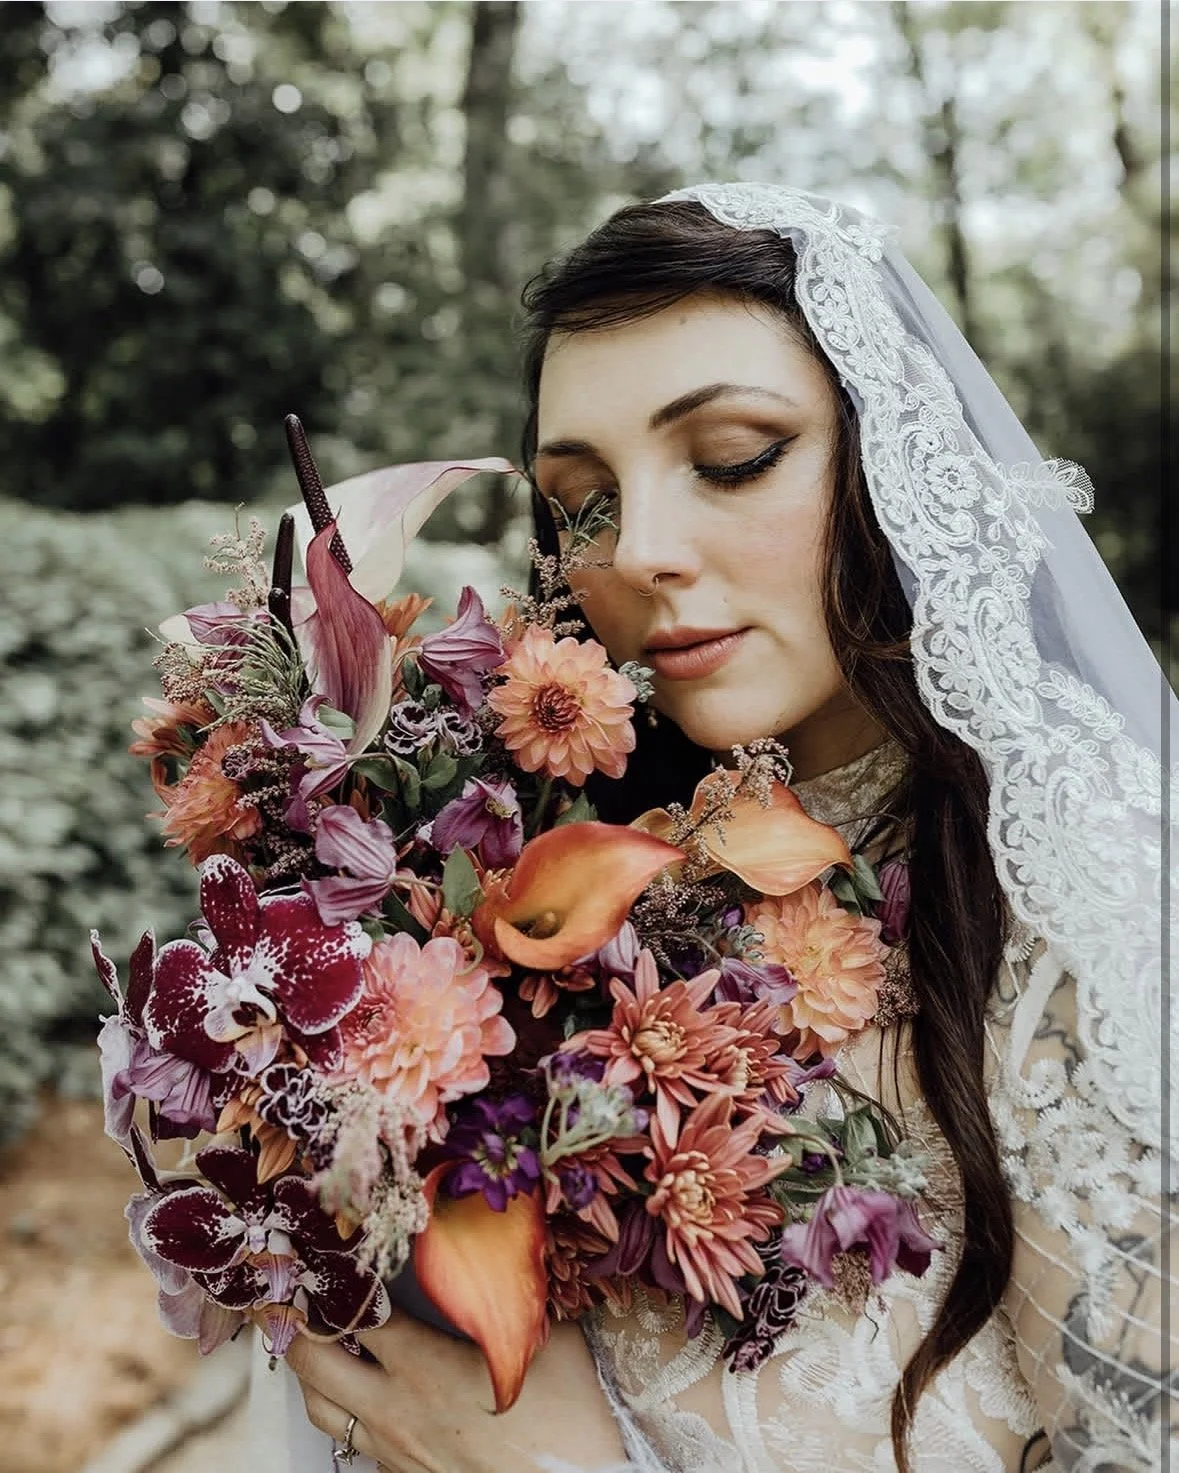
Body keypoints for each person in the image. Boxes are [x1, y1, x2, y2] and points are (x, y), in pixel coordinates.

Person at [253, 183, 1175, 1473]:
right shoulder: (533, 893)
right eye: (581, 496)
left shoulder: (1090, 934)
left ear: (896, 466)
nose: (638, 549)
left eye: (735, 455)